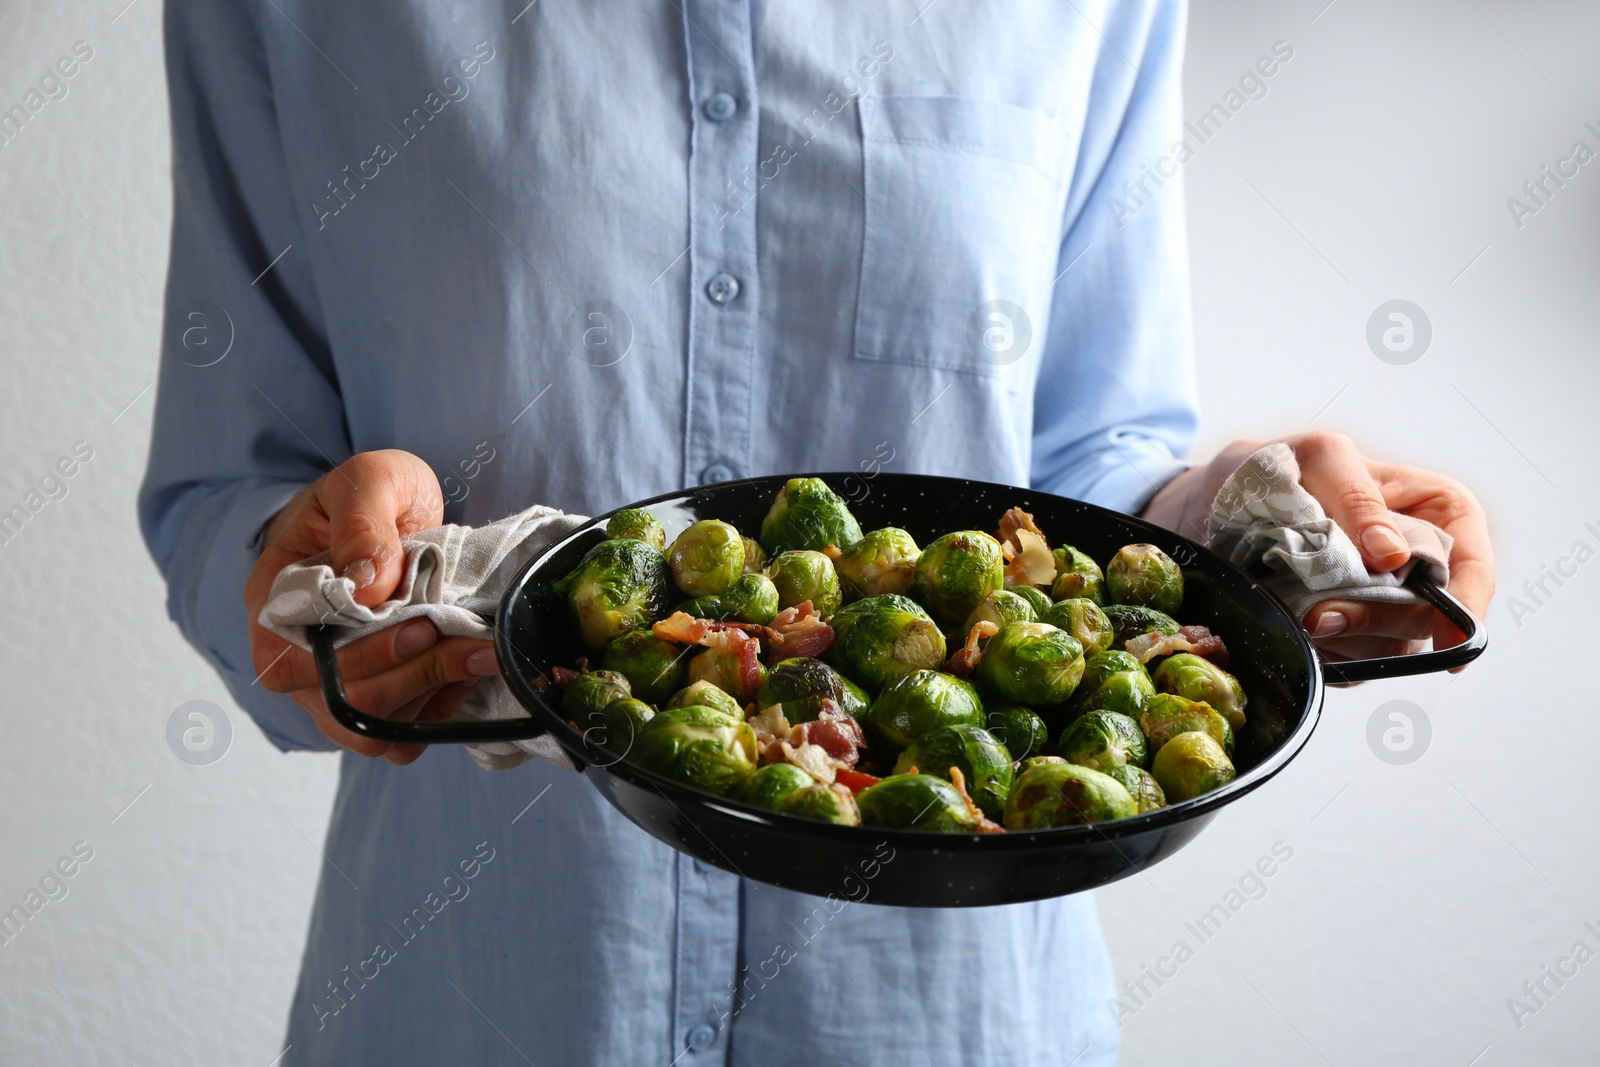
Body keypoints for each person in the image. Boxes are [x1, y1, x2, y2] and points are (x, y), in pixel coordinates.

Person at [139, 2, 1493, 1064]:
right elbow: (224, 493)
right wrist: (310, 583)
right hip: (474, 999)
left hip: (949, 1017)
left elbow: (1094, 470)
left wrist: (1267, 531)